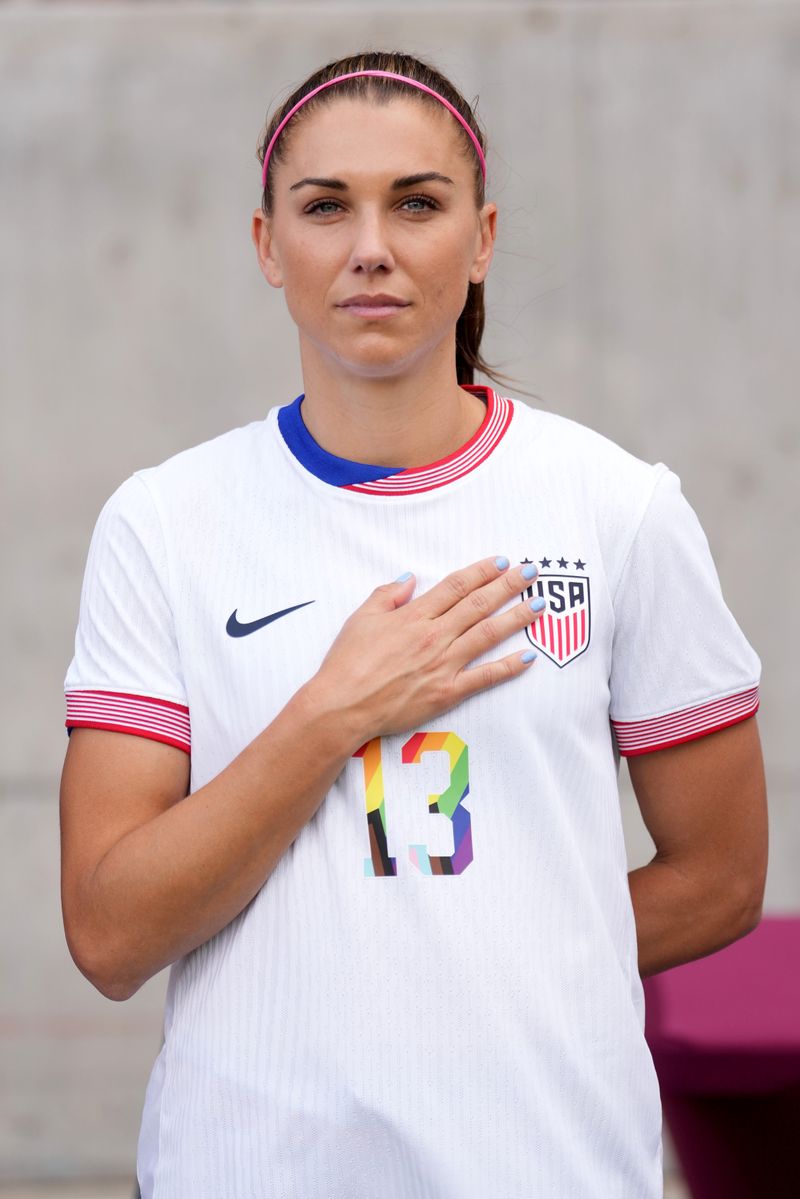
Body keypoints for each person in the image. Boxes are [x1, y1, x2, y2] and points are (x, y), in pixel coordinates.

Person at [59, 49, 768, 1199]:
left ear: (480, 238)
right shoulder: (166, 522)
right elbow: (107, 930)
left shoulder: (616, 510)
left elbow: (722, 878)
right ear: (264, 245)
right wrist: (334, 712)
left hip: (547, 1165)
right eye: (325, 205)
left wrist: (468, 966)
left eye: (417, 203)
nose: (370, 245)